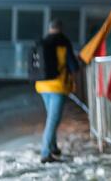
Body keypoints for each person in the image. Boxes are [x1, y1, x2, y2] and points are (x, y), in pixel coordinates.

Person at [35, 19, 79, 163]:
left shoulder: (42, 41)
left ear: (49, 28)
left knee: (51, 117)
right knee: (53, 120)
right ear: (61, 28)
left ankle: (53, 147)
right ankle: (45, 153)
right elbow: (72, 65)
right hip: (57, 86)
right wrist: (75, 82)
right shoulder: (63, 42)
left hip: (42, 85)